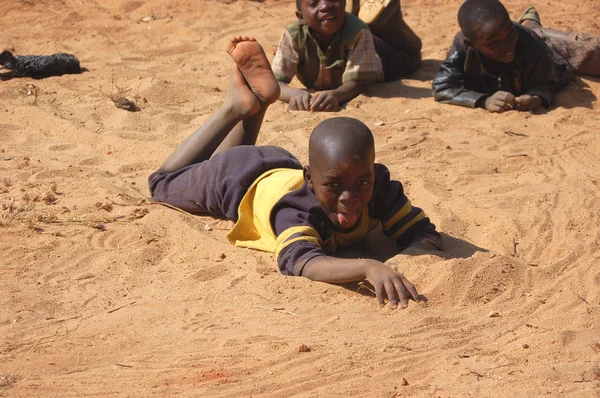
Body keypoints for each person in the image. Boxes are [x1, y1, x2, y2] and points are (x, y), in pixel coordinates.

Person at [149, 36, 442, 309]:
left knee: (212, 161)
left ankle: (256, 105)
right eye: (333, 186)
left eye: (362, 182)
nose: (348, 197)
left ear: (373, 174)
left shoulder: (379, 187)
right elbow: (304, 263)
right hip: (233, 180)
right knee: (161, 183)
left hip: (279, 165)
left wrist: (404, 261)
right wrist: (369, 266)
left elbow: (423, 233)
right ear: (310, 180)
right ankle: (233, 107)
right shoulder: (298, 209)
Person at [432, 0, 600, 113]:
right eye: (493, 43)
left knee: (590, 52)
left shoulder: (529, 43)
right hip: (527, 34)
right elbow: (443, 87)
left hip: (551, 50)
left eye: (510, 33)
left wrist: (537, 97)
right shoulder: (462, 47)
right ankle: (529, 21)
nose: (507, 47)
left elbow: (548, 81)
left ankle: (530, 23)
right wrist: (484, 100)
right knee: (530, 32)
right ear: (471, 44)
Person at [272, 0, 422, 112]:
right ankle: (354, 14)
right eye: (314, 3)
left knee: (412, 57)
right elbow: (275, 83)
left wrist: (336, 95)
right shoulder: (294, 35)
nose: (325, 6)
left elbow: (356, 84)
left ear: (343, 3)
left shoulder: (358, 32)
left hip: (381, 56)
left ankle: (390, 20)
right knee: (359, 29)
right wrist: (294, 94)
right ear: (301, 17)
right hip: (354, 42)